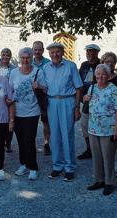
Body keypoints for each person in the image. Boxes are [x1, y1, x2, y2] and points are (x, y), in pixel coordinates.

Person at [43, 42, 83, 181]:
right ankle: (57, 166)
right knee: (54, 135)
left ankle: (69, 167)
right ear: (49, 54)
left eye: (57, 51)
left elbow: (78, 88)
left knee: (67, 135)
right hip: (52, 102)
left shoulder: (70, 66)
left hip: (67, 101)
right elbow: (44, 87)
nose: (55, 54)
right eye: (52, 52)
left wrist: (77, 107)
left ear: (62, 52)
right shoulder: (45, 67)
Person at [9, 47, 47, 180]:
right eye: (23, 58)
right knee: (20, 140)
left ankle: (33, 167)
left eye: (28, 58)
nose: (25, 60)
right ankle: (23, 163)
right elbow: (10, 90)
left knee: (29, 139)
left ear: (31, 58)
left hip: (32, 111)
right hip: (17, 111)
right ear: (20, 59)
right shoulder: (14, 72)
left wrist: (40, 86)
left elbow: (46, 89)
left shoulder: (38, 72)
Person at [84, 64, 117, 195]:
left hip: (108, 128)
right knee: (96, 156)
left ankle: (109, 182)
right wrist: (85, 98)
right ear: (95, 75)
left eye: (104, 74)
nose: (101, 76)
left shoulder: (113, 89)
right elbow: (86, 101)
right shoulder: (92, 87)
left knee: (108, 156)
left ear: (109, 75)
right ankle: (99, 180)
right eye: (98, 74)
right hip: (93, 127)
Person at [101, 52, 117, 182]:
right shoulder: (99, 77)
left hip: (116, 116)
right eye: (107, 61)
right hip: (102, 118)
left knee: (116, 145)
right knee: (103, 145)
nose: (109, 63)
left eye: (112, 61)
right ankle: (106, 170)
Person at [77, 44, 101, 160]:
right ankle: (89, 149)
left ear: (97, 53)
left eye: (93, 52)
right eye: (88, 52)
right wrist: (80, 98)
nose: (90, 54)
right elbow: (79, 82)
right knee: (85, 125)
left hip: (98, 101)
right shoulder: (84, 65)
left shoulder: (101, 65)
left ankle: (99, 150)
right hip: (85, 101)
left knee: (98, 125)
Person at [32, 41, 51, 155]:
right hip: (32, 96)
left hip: (44, 95)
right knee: (32, 122)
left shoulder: (48, 64)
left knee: (45, 122)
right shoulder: (29, 63)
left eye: (39, 49)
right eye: (35, 50)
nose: (37, 52)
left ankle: (46, 143)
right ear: (32, 50)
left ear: (43, 50)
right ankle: (31, 144)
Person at [0, 48, 16, 153]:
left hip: (9, 97)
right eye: (3, 55)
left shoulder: (13, 69)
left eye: (7, 55)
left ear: (10, 57)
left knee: (10, 120)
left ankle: (8, 143)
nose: (5, 57)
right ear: (1, 55)